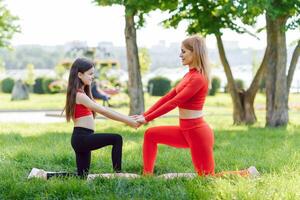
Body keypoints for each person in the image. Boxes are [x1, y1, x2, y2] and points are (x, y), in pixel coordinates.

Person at [133, 35, 259, 178]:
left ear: (195, 53)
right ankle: (147, 175)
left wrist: (147, 118)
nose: (180, 55)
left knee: (207, 177)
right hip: (184, 131)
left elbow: (174, 102)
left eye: (183, 51)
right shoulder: (188, 75)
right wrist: (144, 115)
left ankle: (247, 174)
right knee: (150, 135)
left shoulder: (198, 79)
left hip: (197, 134)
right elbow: (167, 97)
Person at [28, 58, 139, 180]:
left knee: (81, 177)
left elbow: (104, 109)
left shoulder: (81, 93)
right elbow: (103, 111)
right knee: (117, 139)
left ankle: (43, 175)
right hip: (82, 138)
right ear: (80, 75)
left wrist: (127, 117)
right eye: (90, 74)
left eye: (93, 74)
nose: (92, 77)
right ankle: (118, 174)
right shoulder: (79, 95)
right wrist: (128, 121)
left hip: (80, 138)